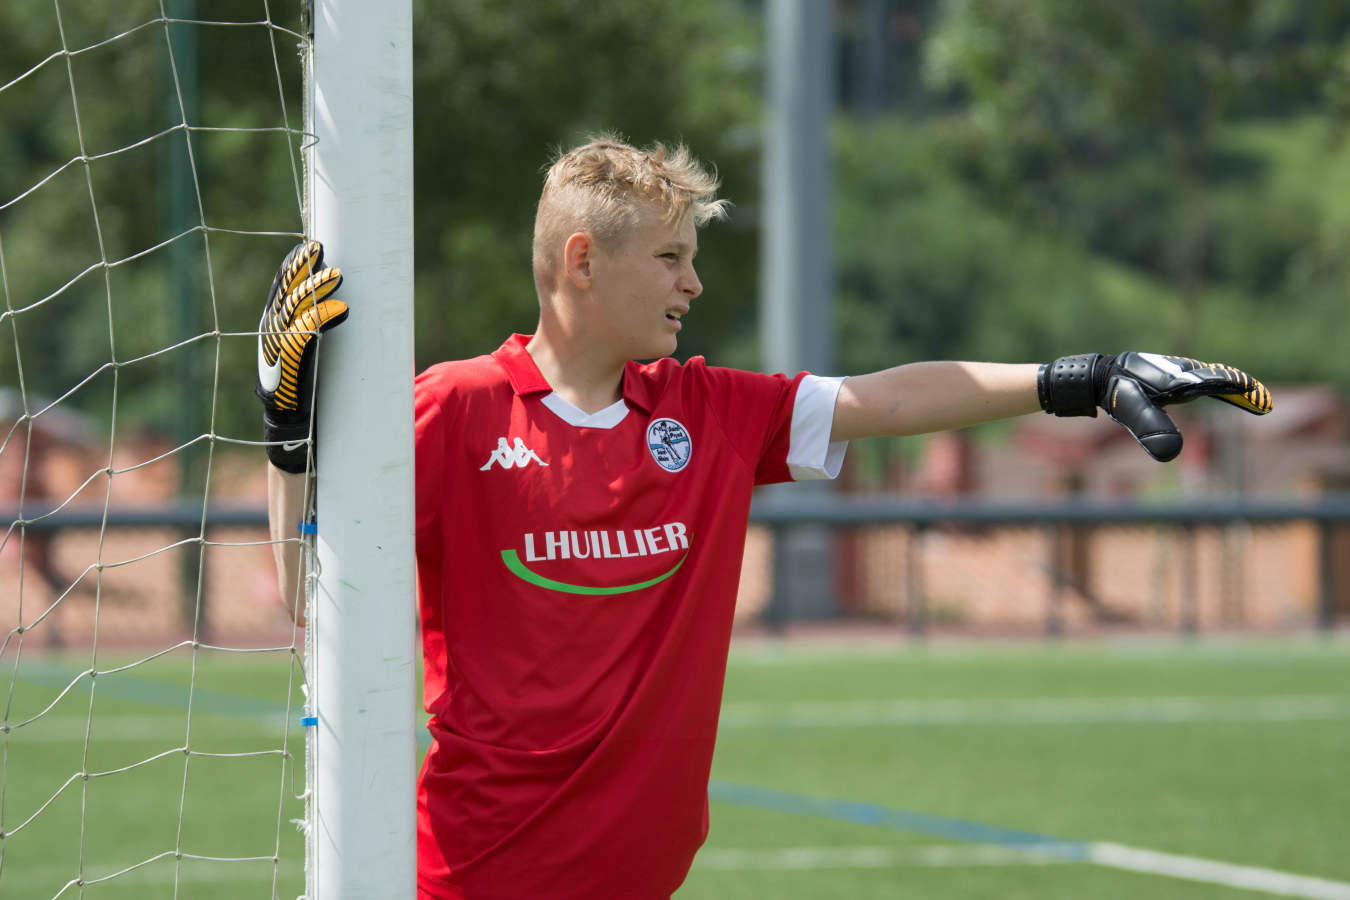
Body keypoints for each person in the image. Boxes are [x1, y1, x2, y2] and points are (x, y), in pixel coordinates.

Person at [255, 135, 1272, 899]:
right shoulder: (455, 407)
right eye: (669, 257)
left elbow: (897, 398)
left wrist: (1081, 378)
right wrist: (288, 438)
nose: (693, 282)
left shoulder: (710, 413)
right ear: (581, 261)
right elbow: (305, 590)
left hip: (643, 878)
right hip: (472, 875)